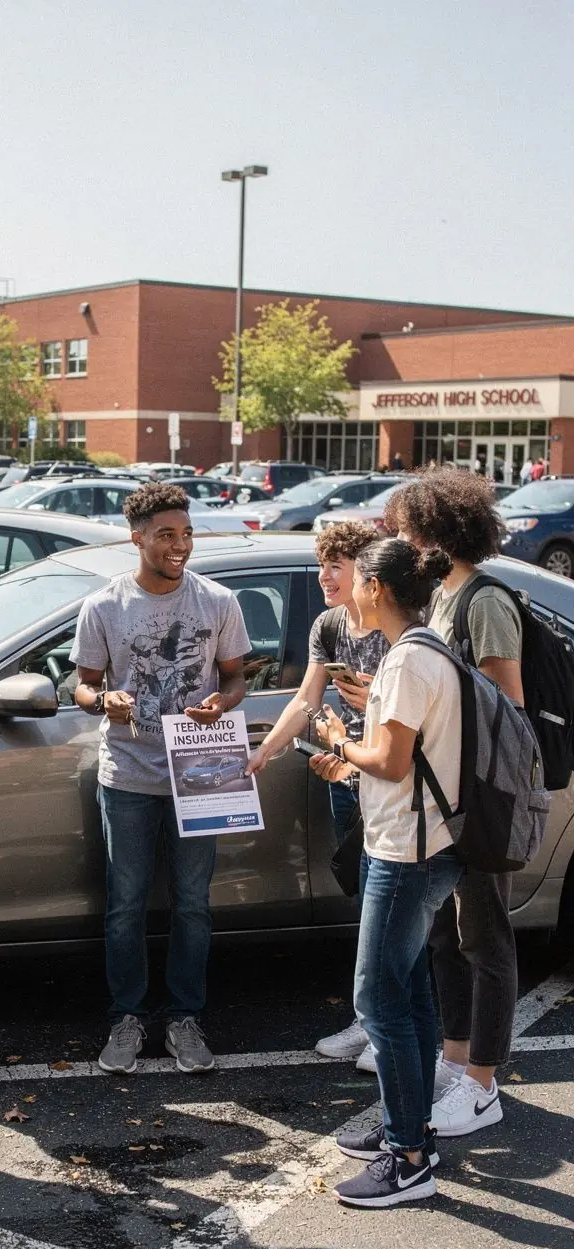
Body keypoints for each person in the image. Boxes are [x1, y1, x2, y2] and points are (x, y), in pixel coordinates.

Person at [71, 483, 249, 1075]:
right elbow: (82, 686)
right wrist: (105, 701)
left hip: (201, 768)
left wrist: (222, 705)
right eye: (166, 535)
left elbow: (235, 680)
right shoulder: (104, 606)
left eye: (187, 534)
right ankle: (126, 1017)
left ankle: (184, 1018)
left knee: (193, 904)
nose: (180, 545)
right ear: (137, 537)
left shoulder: (219, 602)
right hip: (128, 774)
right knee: (124, 903)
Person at [312, 538, 464, 1207]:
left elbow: (395, 762)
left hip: (406, 851)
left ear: (376, 586)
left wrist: (339, 742)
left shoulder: (405, 661)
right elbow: (407, 756)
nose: (348, 595)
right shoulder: (428, 649)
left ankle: (408, 1160)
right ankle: (413, 1129)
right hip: (426, 839)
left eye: (357, 585)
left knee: (378, 999)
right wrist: (352, 759)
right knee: (410, 993)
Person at [385, 472, 522, 1137]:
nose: (404, 543)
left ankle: (484, 1084)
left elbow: (508, 710)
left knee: (486, 937)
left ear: (441, 532)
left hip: (480, 800)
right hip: (442, 796)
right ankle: (455, 1057)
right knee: (445, 932)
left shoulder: (483, 602)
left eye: (410, 531)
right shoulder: (440, 599)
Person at [246, 521, 385, 1072]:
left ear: (367, 573)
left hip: (390, 779)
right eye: (323, 563)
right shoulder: (329, 626)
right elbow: (307, 699)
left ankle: (387, 1029)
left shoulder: (396, 626)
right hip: (345, 781)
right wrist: (266, 752)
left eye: (337, 565)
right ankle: (369, 1019)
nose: (325, 575)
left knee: (390, 908)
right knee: (366, 903)